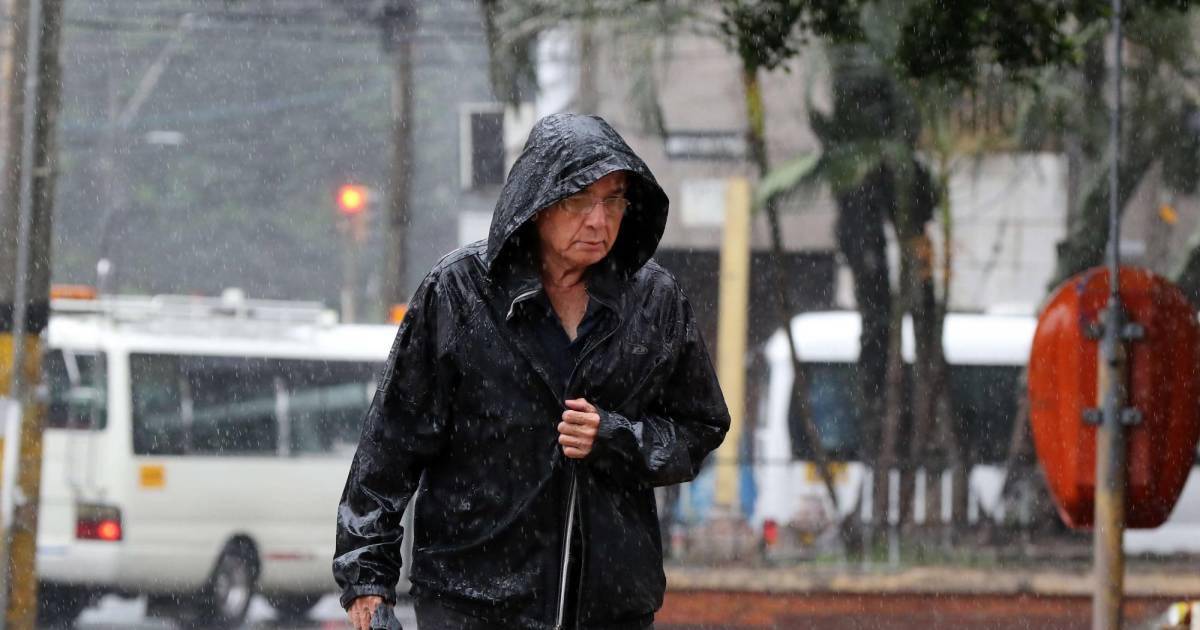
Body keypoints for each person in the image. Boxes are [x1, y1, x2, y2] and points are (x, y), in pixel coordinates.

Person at [333, 113, 730, 630]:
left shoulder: (655, 300)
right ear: (538, 202)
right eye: (578, 200)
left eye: (614, 200)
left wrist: (617, 438)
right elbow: (390, 443)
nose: (599, 220)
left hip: (609, 607)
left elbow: (700, 426)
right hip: (472, 600)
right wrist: (367, 578)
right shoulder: (459, 292)